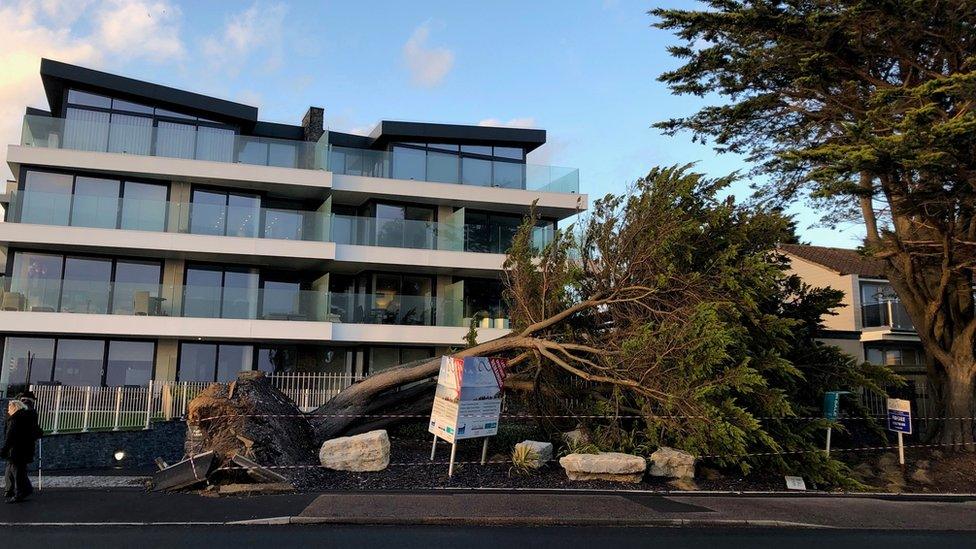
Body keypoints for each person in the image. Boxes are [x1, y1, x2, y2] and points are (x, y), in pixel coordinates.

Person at [2, 398, 42, 503]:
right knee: (18, 471)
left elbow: (10, 437)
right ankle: (24, 490)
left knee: (17, 472)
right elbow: (36, 432)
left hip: (16, 450)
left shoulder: (14, 420)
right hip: (26, 449)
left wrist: (4, 450)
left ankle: (20, 493)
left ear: (14, 408)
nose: (8, 411)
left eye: (9, 408)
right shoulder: (27, 417)